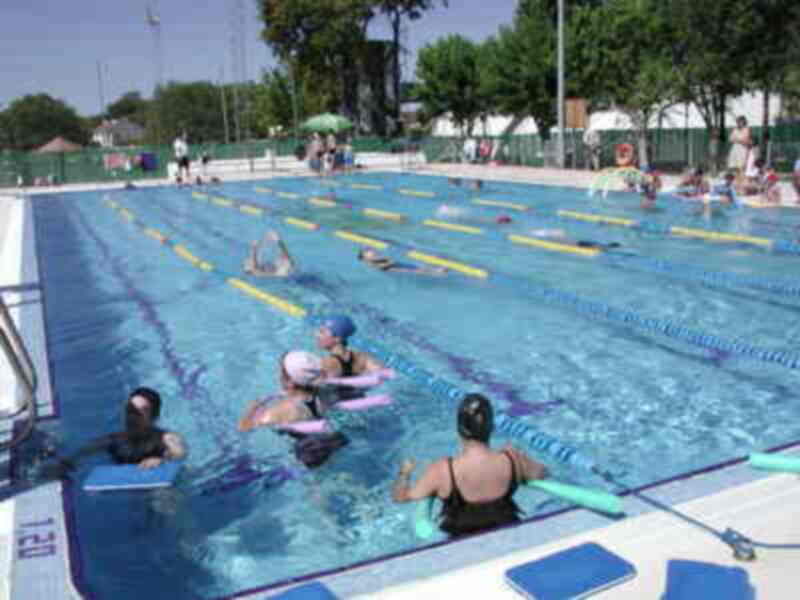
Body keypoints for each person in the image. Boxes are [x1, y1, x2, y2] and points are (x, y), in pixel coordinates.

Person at [392, 394, 547, 538]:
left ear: (459, 431)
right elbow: (543, 473)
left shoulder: (442, 470)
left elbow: (401, 497)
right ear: (491, 427)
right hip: (509, 536)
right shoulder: (512, 459)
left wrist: (404, 472)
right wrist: (522, 459)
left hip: (461, 545)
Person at [238, 351, 350, 468]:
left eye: (282, 372)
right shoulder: (325, 392)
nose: (279, 375)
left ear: (290, 382)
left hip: (307, 453)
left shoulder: (279, 411)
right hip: (332, 440)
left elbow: (244, 429)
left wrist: (251, 409)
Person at [51, 387, 187, 475]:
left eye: (143, 410)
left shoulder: (166, 438)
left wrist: (162, 460)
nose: (134, 414)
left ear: (155, 415)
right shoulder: (114, 440)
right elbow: (79, 454)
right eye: (131, 408)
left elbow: (180, 454)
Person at [314, 315, 383, 384]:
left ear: (337, 338)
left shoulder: (327, 363)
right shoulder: (362, 357)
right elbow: (382, 374)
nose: (316, 334)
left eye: (322, 332)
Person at [358, 247, 447, 276]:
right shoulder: (369, 261)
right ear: (365, 255)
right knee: (416, 270)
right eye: (368, 250)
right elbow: (381, 268)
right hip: (393, 269)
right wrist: (390, 263)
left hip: (395, 265)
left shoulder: (374, 258)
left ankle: (436, 268)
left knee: (418, 267)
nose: (372, 250)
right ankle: (437, 271)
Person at [727, 116, 752, 185]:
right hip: (735, 149)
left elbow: (745, 140)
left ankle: (742, 183)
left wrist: (737, 139)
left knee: (741, 167)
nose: (739, 123)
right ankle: (736, 182)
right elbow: (730, 139)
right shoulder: (735, 129)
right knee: (735, 168)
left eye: (740, 121)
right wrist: (738, 139)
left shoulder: (746, 129)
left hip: (742, 149)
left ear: (744, 122)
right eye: (738, 122)